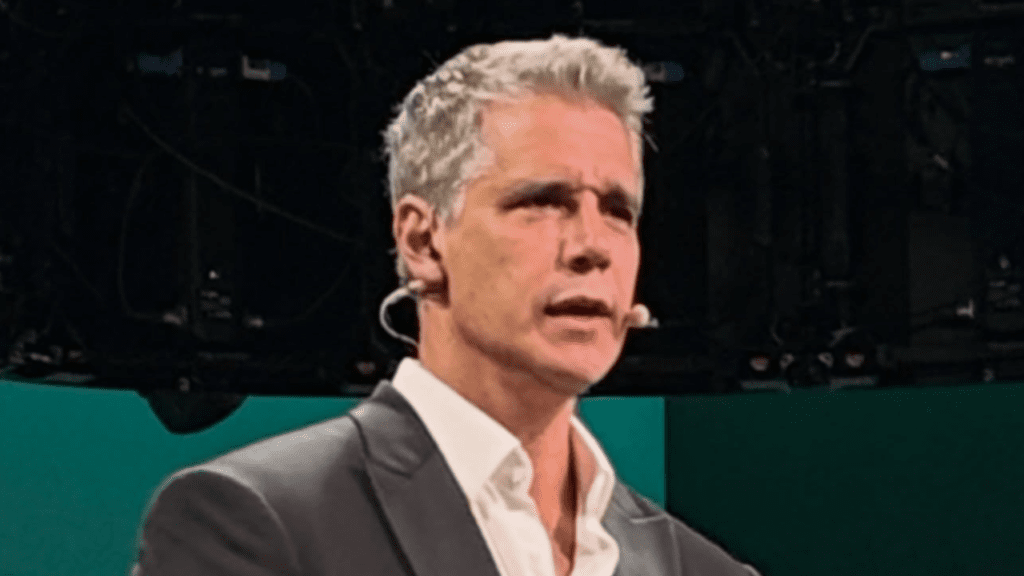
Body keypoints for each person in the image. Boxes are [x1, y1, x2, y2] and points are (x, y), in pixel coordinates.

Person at [130, 33, 762, 576]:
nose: (592, 246)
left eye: (618, 211)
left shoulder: (704, 570)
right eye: (543, 202)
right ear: (423, 241)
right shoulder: (256, 520)